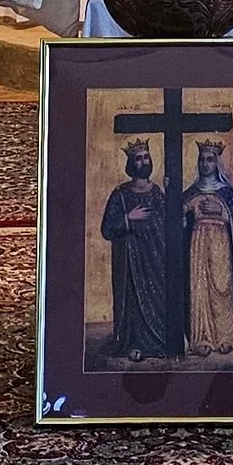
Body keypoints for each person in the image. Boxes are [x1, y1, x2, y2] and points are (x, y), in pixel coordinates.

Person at [100, 138, 180, 361]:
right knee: (134, 303)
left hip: (156, 258)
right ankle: (133, 344)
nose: (143, 161)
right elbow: (106, 229)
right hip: (131, 262)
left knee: (158, 299)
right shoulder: (121, 194)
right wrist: (128, 218)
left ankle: (158, 342)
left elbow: (168, 220)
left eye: (146, 157)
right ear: (130, 163)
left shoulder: (156, 192)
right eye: (138, 158)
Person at [181, 139, 233, 359]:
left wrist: (222, 212)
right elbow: (179, 218)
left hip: (221, 244)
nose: (205, 164)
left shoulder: (227, 193)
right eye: (202, 159)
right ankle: (201, 338)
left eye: (210, 160)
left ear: (217, 163)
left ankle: (225, 337)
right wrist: (183, 216)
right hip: (198, 245)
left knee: (223, 289)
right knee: (199, 289)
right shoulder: (191, 192)